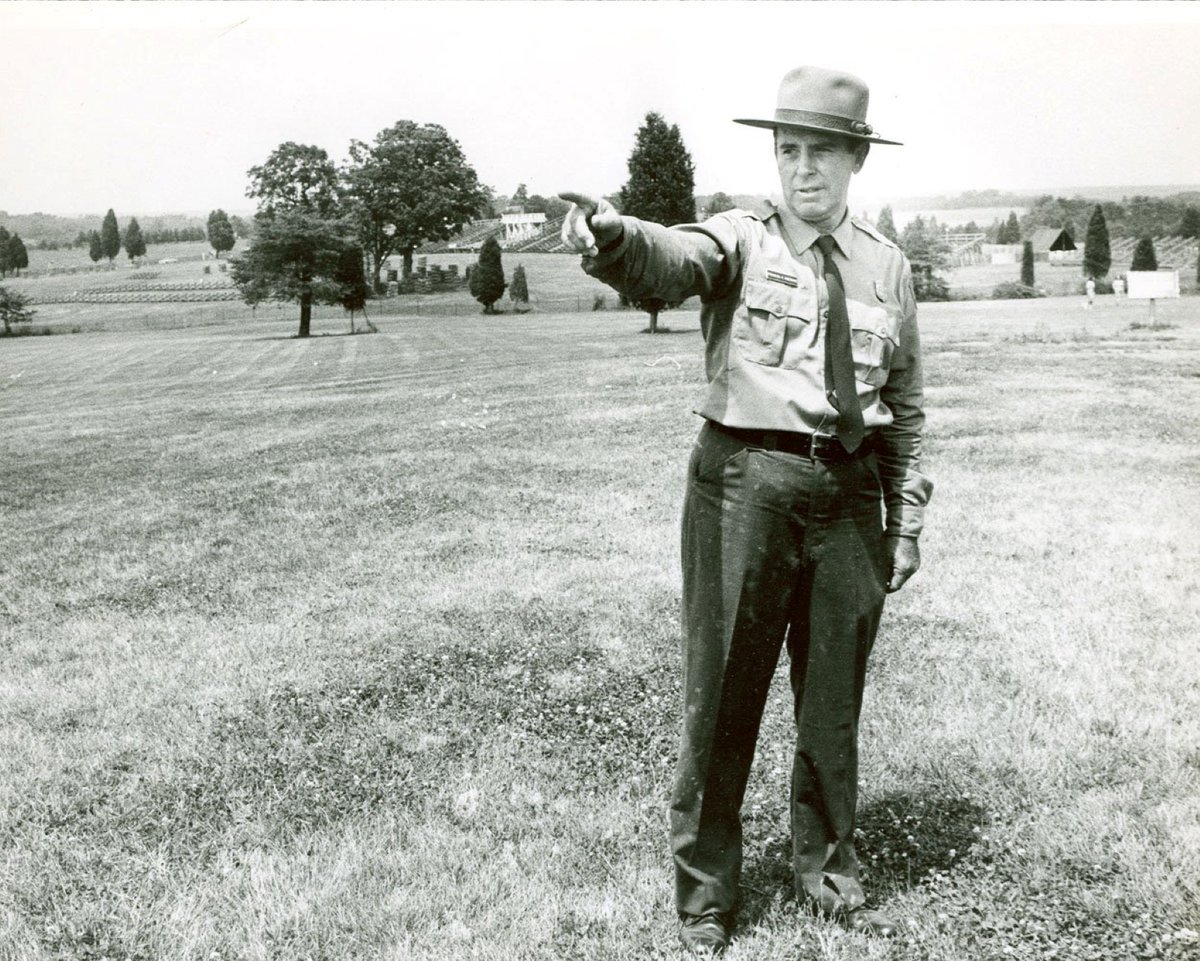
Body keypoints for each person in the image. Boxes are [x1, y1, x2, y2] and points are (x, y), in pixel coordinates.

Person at [560, 65, 932, 955]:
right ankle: (706, 894)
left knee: (833, 697)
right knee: (724, 694)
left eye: (822, 152)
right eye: (788, 149)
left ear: (855, 160)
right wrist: (613, 235)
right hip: (744, 486)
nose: (803, 169)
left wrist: (904, 519)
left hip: (847, 498)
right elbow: (672, 255)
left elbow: (905, 408)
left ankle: (828, 869)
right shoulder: (740, 238)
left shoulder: (887, 266)